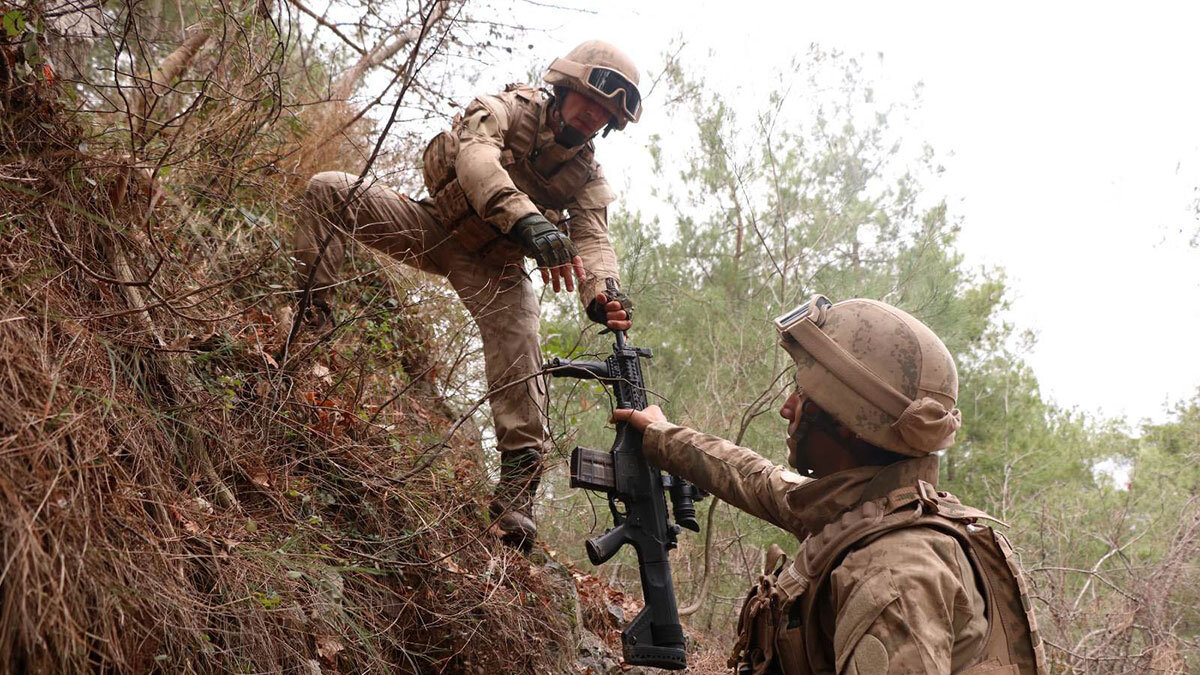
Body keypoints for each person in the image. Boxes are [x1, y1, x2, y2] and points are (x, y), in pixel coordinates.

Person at [292, 41, 642, 549]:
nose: (593, 116)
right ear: (564, 88)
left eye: (605, 114)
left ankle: (515, 496)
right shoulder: (506, 110)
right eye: (590, 101)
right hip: (434, 226)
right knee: (328, 189)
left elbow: (593, 237)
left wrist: (602, 293)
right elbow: (477, 161)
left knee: (522, 341)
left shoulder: (587, 174)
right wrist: (529, 222)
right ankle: (307, 327)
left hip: (495, 268)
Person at [613, 295, 1046, 674]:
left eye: (802, 394)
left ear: (847, 426)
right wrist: (660, 434)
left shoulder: (892, 573)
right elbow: (759, 480)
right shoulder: (866, 508)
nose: (786, 409)